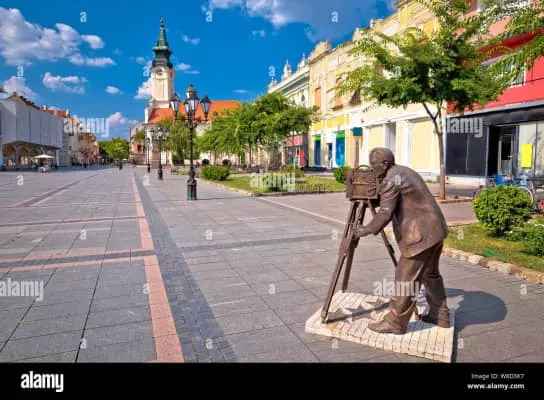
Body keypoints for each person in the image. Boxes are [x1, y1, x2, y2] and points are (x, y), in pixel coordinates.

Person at [354, 147, 450, 334]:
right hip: (435, 230)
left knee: (405, 277)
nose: (372, 170)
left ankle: (395, 322)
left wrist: (366, 229)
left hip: (421, 235)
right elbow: (392, 199)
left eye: (374, 166)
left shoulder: (391, 179)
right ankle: (440, 315)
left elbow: (385, 212)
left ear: (385, 163)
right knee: (430, 273)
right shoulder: (402, 171)